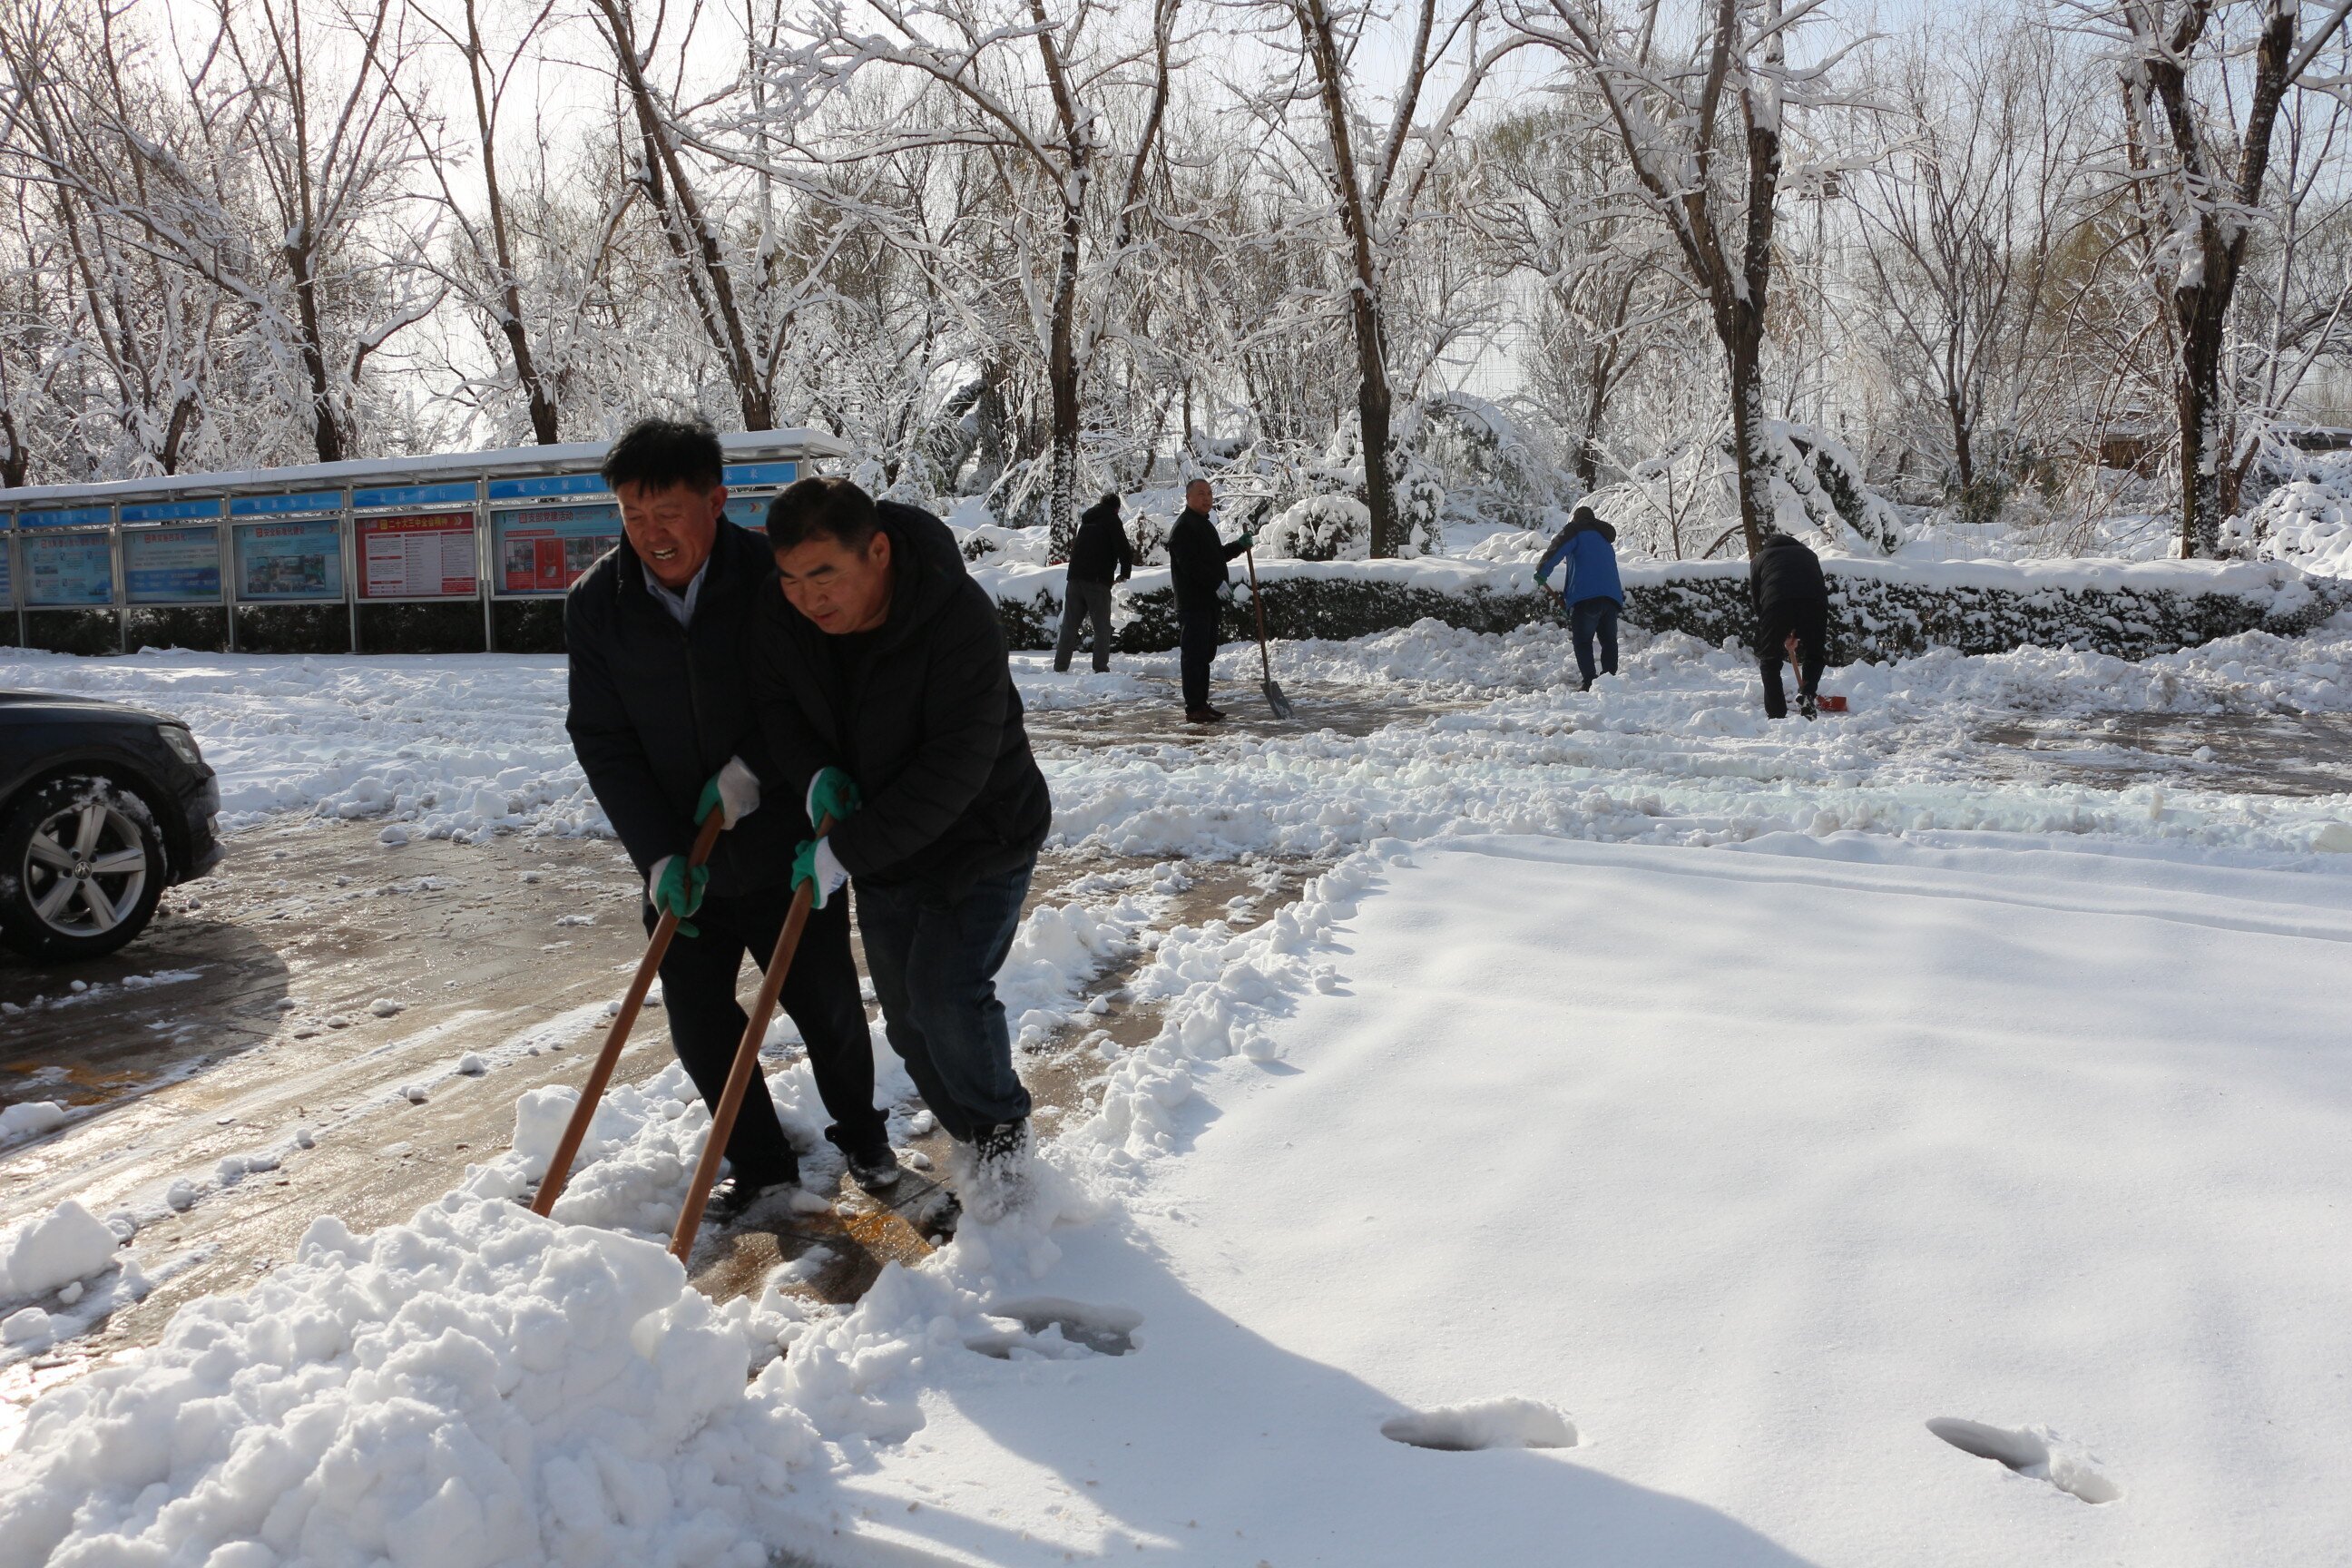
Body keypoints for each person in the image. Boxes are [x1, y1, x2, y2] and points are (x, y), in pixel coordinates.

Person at [564, 420, 898, 1220]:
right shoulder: (598, 604)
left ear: (715, 502)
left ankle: (862, 1135)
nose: (651, 534)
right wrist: (657, 857)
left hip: (786, 844)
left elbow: (814, 692)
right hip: (685, 857)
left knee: (827, 1007)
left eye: (668, 513)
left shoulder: (770, 577)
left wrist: (756, 769)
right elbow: (602, 739)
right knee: (701, 1024)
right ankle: (760, 1162)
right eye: (632, 516)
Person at [747, 475, 1054, 1223]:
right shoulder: (784, 613)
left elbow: (955, 768)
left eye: (825, 575)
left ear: (878, 552)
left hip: (983, 834)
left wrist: (843, 852)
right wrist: (814, 774)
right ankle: (972, 1138)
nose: (808, 598)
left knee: (946, 994)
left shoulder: (957, 618)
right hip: (885, 846)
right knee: (910, 1021)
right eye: (791, 579)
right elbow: (775, 704)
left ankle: (1002, 1143)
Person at [1164, 477, 1255, 723]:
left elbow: (1214, 557)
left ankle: (1201, 702)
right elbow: (1190, 565)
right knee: (1194, 656)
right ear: (1188, 497)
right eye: (1201, 493)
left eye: (1209, 493)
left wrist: (1238, 546)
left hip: (1207, 602)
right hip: (1193, 603)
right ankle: (1194, 707)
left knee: (1205, 654)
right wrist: (1216, 583)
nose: (1207, 498)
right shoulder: (1184, 527)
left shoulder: (1203, 524)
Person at [1535, 505, 1624, 691]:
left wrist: (1542, 571)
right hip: (1611, 598)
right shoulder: (1604, 536)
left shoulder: (1575, 530)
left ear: (1576, 519)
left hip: (1585, 597)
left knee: (1583, 641)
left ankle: (1589, 681)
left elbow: (1557, 548)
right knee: (1608, 641)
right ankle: (1609, 680)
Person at [1749, 529, 1829, 720]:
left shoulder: (1759, 558)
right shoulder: (1809, 555)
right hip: (1815, 603)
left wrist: (1778, 630)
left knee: (1770, 660)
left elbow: (1757, 601)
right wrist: (1795, 633)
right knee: (1815, 654)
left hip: (1776, 604)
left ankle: (1776, 714)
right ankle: (1808, 693)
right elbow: (1815, 585)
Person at [1054, 493, 1133, 673]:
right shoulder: (1112, 520)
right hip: (1097, 581)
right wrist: (1125, 573)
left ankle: (1060, 667)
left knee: (1069, 625)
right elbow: (1123, 548)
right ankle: (1100, 668)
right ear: (1116, 509)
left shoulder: (1087, 521)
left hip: (1074, 578)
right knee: (1101, 627)